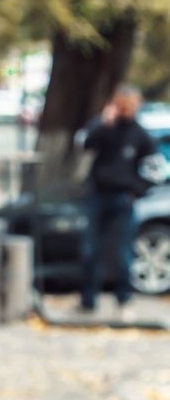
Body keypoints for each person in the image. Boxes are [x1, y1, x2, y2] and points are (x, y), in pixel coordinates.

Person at [78, 84, 156, 318]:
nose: (125, 109)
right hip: (97, 196)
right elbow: (86, 144)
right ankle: (88, 301)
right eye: (121, 104)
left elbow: (154, 170)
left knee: (122, 253)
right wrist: (105, 124)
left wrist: (136, 191)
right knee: (90, 250)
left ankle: (124, 300)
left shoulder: (140, 135)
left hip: (123, 200)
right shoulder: (103, 127)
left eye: (129, 105)